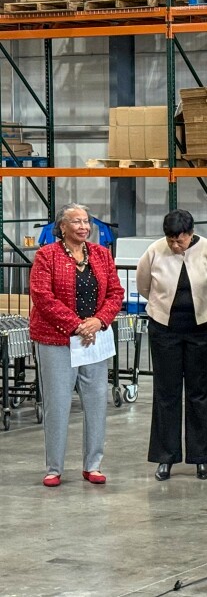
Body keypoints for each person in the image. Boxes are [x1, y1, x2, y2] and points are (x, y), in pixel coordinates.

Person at [29, 204, 124, 487]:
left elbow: (116, 292)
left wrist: (98, 320)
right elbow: (42, 297)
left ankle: (92, 465)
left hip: (95, 339)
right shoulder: (46, 255)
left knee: (96, 403)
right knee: (57, 405)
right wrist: (76, 325)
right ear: (62, 227)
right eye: (77, 222)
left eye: (86, 221)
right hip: (56, 340)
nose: (84, 226)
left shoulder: (101, 254)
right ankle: (54, 468)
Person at [137, 209, 207, 482]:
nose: (176, 245)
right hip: (164, 329)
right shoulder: (154, 252)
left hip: (201, 328)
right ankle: (165, 457)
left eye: (181, 240)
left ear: (191, 234)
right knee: (166, 392)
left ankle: (201, 458)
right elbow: (144, 285)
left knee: (200, 392)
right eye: (171, 240)